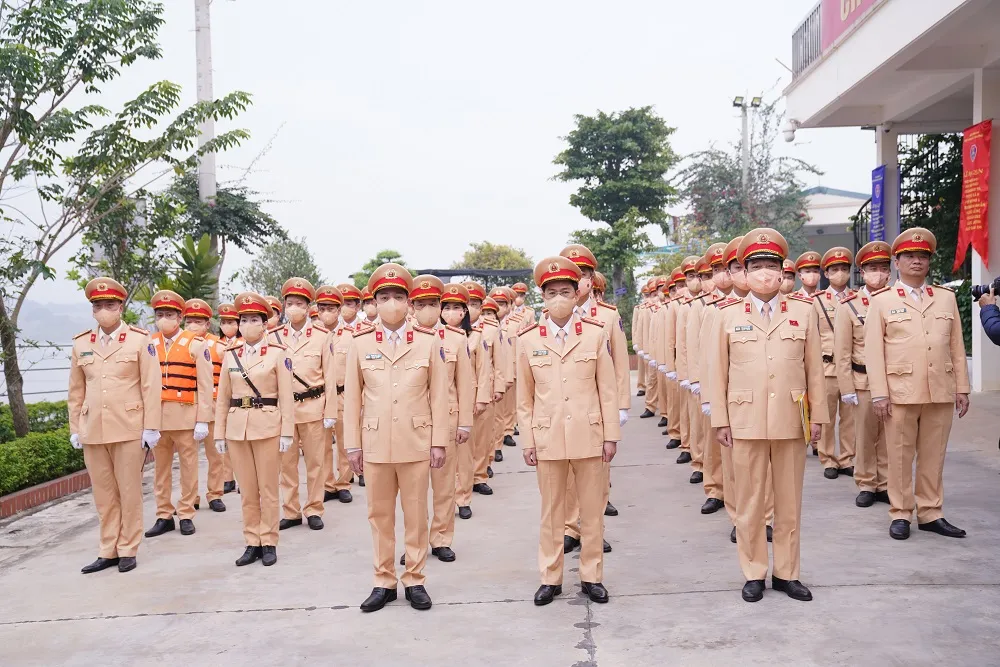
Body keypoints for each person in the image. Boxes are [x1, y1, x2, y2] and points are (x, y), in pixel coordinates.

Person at [708, 228, 828, 603]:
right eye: (756, 266)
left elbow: (814, 371)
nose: (764, 273)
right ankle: (753, 572)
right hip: (744, 420)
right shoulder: (725, 316)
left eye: (771, 266)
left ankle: (787, 573)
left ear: (782, 272)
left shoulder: (804, 312)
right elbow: (717, 372)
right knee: (750, 502)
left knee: (789, 502)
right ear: (744, 273)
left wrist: (820, 416)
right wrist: (720, 420)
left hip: (792, 418)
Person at [343, 264, 450, 612]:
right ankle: (383, 580)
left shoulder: (428, 342)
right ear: (373, 302)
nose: (392, 303)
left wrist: (439, 441)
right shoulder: (358, 344)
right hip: (374, 444)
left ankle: (415, 579)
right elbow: (352, 400)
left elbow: (440, 396)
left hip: (416, 441)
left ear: (409, 302)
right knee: (379, 515)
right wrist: (352, 445)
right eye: (384, 297)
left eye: (398, 297)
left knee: (417, 514)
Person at [518, 256, 621, 606]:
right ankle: (551, 578)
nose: (558, 297)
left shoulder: (595, 334)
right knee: (552, 515)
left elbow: (606, 389)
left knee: (591, 513)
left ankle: (592, 576)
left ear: (578, 294)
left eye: (565, 291)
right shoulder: (528, 339)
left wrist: (611, 436)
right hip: (547, 439)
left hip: (589, 436)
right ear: (542, 297)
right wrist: (527, 440)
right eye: (551, 292)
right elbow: (524, 399)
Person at [864, 227, 971, 541]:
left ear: (929, 261)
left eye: (922, 256)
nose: (916, 261)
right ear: (897, 262)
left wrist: (961, 387)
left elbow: (955, 346)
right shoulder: (882, 301)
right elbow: (873, 351)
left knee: (933, 454)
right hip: (899, 392)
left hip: (939, 388)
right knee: (899, 455)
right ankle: (900, 512)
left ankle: (931, 512)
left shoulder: (945, 298)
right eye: (909, 256)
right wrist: (879, 394)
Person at [69, 278, 162, 574]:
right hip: (93, 428)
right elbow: (75, 390)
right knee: (104, 493)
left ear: (121, 307)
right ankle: (107, 548)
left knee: (129, 490)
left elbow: (151, 386)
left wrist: (151, 427)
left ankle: (128, 548)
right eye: (98, 306)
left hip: (128, 427)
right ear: (92, 310)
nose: (104, 310)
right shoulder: (81, 343)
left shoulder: (139, 339)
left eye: (110, 305)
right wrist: (75, 427)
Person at [214, 293, 295, 567]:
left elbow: (286, 395)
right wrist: (219, 433)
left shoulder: (278, 354)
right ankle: (252, 541)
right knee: (247, 490)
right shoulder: (230, 355)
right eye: (244, 320)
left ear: (265, 324)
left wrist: (287, 432)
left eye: (254, 320)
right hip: (238, 428)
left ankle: (269, 540)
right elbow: (222, 397)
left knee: (269, 488)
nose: (248, 324)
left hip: (268, 426)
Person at [559, 243, 629, 547]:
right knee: (566, 476)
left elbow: (621, 364)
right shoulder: (551, 315)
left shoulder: (608, 316)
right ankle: (569, 529)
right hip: (563, 405)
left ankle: (593, 530)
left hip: (598, 405)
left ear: (591, 278)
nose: (581, 280)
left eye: (585, 274)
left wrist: (621, 406)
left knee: (596, 474)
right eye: (575, 275)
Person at [407, 276, 473, 563]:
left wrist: (465, 422)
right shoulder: (402, 338)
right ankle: (415, 542)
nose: (428, 309)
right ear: (412, 306)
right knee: (414, 490)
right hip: (411, 424)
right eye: (421, 304)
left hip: (446, 420)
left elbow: (466, 383)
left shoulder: (456, 339)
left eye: (434, 304)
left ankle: (441, 538)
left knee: (444, 486)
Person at [145, 290, 214, 539]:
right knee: (160, 469)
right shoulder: (148, 344)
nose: (165, 318)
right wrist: (145, 423)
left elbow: (206, 386)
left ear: (180, 316)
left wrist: (203, 419)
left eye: (170, 314)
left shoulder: (196, 344)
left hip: (186, 416)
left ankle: (186, 513)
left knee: (188, 467)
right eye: (160, 314)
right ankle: (164, 514)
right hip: (157, 420)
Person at [269, 278, 333, 532]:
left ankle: (314, 508)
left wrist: (330, 411)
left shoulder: (322, 336)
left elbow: (329, 375)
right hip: (284, 412)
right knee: (286, 463)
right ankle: (291, 510)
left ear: (308, 307)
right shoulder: (273, 336)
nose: (293, 308)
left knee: (316, 463)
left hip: (313, 407)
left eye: (299, 303)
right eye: (289, 303)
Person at [835, 241, 892, 508]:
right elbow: (842, 350)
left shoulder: (896, 300)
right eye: (872, 268)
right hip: (864, 381)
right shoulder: (849, 305)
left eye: (883, 268)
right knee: (866, 435)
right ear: (862, 271)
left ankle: (886, 483)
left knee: (891, 436)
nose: (878, 273)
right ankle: (867, 483)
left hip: (896, 380)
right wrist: (846, 387)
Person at [449, 283, 493, 520]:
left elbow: (483, 369)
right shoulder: (433, 336)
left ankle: (463, 497)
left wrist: (480, 399)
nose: (451, 312)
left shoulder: (476, 336)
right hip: (442, 403)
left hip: (468, 402)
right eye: (446, 307)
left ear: (464, 312)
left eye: (457, 307)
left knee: (464, 455)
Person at [814, 248, 857, 480]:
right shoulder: (817, 301)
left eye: (844, 269)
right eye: (835, 270)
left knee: (850, 418)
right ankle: (828, 458)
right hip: (827, 367)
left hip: (851, 368)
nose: (840, 273)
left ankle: (847, 458)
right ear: (827, 273)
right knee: (827, 416)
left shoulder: (857, 299)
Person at [183, 298, 227, 513]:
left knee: (215, 454)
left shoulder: (218, 346)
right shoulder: (178, 345)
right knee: (188, 458)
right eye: (189, 321)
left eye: (198, 321)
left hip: (214, 405)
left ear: (207, 324)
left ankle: (215, 494)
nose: (193, 325)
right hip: (188, 406)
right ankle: (191, 497)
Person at [695, 244, 729, 514]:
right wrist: (706, 393)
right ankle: (716, 489)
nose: (724, 275)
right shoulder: (709, 306)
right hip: (717, 388)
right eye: (715, 270)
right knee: (715, 443)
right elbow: (704, 354)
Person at [324, 282, 367, 493]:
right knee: (320, 447)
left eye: (330, 309)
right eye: (322, 308)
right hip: (320, 397)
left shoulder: (352, 335)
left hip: (342, 394)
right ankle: (326, 484)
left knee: (344, 442)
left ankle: (343, 484)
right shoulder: (315, 335)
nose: (325, 313)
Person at [463, 286, 504, 498]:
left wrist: (499, 387)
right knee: (462, 441)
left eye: (475, 305)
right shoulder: (452, 329)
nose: (471, 309)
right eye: (468, 304)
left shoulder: (490, 330)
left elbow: (499, 361)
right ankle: (462, 479)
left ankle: (479, 476)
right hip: (460, 395)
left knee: (482, 438)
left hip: (484, 388)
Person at [216, 303, 240, 494]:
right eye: (224, 322)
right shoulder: (216, 344)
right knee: (224, 440)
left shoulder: (245, 343)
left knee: (240, 442)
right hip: (220, 395)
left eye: (231, 322)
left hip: (241, 397)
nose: (227, 325)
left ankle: (241, 478)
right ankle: (227, 477)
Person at [633, 283, 649, 397]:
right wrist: (635, 342)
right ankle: (641, 386)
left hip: (652, 340)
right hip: (641, 340)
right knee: (642, 366)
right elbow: (634, 326)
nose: (648, 297)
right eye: (646, 295)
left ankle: (650, 386)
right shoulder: (639, 308)